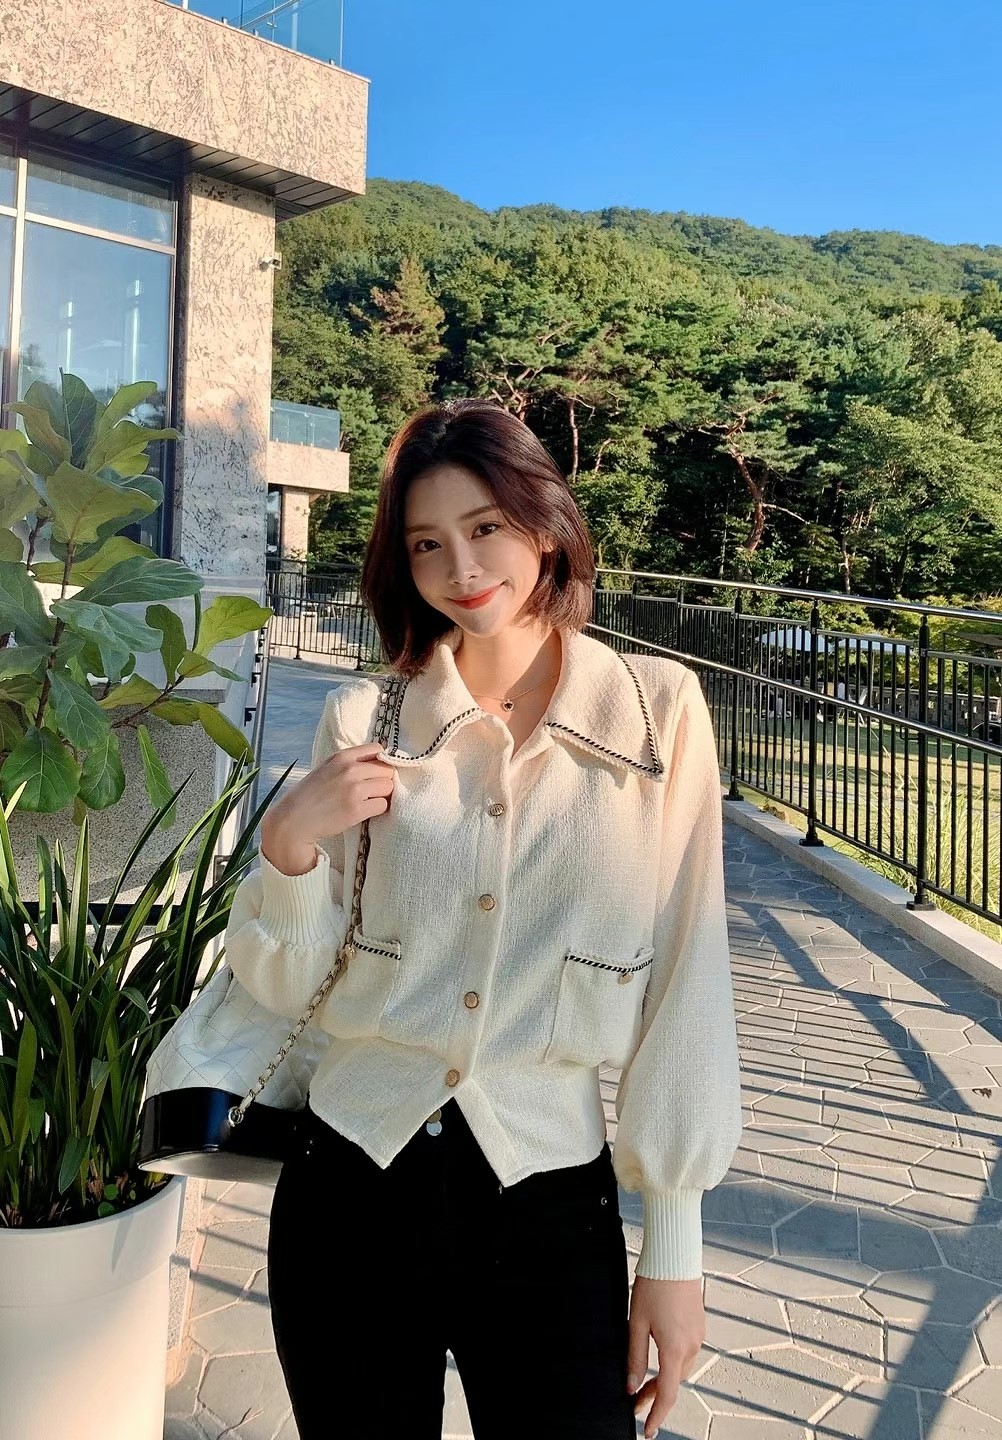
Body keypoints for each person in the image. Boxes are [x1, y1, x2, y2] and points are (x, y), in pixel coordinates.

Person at [223, 399, 743, 1440]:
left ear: (545, 523)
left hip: (549, 1201)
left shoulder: (656, 715)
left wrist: (675, 1248)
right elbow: (286, 985)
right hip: (348, 1189)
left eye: (486, 526)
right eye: (426, 542)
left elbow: (690, 976)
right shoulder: (363, 720)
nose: (460, 566)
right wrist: (287, 844)